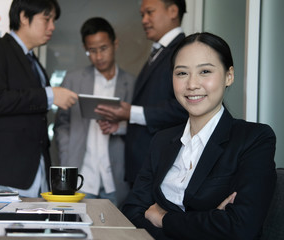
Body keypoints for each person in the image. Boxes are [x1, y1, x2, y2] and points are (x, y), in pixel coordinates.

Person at [122, 32, 277, 239]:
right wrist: (209, 220)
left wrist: (163, 218)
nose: (192, 84)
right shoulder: (161, 140)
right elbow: (132, 212)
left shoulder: (254, 139)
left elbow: (241, 228)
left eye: (205, 71)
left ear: (229, 76)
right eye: (182, 73)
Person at [0, 0, 78, 197]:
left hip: (36, 177)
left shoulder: (34, 62)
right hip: (1, 176)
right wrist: (50, 94)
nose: (52, 26)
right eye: (46, 19)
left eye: (53, 20)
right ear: (23, 17)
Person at [95, 0, 188, 186]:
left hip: (163, 166)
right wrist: (122, 126)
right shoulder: (159, 52)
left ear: (173, 11)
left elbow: (184, 106)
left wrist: (131, 112)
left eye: (150, 12)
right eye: (142, 15)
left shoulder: (183, 51)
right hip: (146, 165)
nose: (144, 20)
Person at [54, 17, 135, 206]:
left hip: (116, 179)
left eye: (103, 48)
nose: (98, 56)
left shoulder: (131, 83)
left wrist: (120, 127)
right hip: (81, 177)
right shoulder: (73, 80)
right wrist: (67, 158)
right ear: (85, 49)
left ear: (115, 44)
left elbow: (139, 126)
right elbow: (61, 125)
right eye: (92, 50)